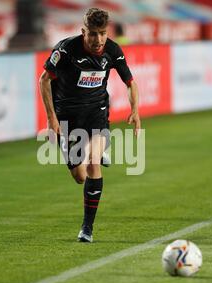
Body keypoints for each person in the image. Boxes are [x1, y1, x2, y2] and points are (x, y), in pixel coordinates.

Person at [39, 8, 141, 243]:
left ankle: (87, 228)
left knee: (94, 162)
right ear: (83, 31)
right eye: (93, 34)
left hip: (97, 112)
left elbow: (130, 83)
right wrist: (51, 118)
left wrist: (134, 110)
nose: (98, 40)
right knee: (80, 177)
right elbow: (44, 80)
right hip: (68, 117)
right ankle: (84, 150)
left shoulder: (113, 50)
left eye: (103, 33)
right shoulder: (65, 50)